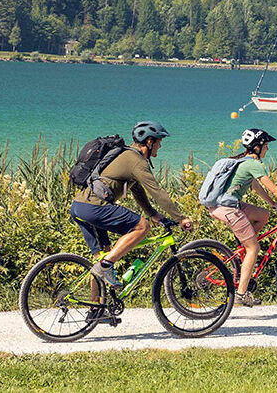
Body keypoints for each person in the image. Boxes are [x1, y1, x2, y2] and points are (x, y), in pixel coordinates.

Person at [73, 121, 195, 291]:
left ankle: (96, 311)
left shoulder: (126, 155)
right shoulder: (136, 160)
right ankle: (106, 264)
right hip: (94, 207)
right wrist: (180, 218)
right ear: (149, 141)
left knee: (102, 259)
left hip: (80, 206)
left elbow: (137, 190)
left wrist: (153, 214)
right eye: (159, 141)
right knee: (142, 226)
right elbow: (157, 191)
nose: (160, 146)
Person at [210, 128, 277, 307]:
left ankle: (243, 245)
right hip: (228, 208)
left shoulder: (243, 161)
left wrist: (273, 204)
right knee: (254, 248)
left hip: (225, 205)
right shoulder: (254, 164)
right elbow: (275, 189)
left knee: (264, 215)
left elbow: (256, 186)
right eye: (266, 145)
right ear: (258, 146)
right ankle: (240, 294)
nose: (268, 149)